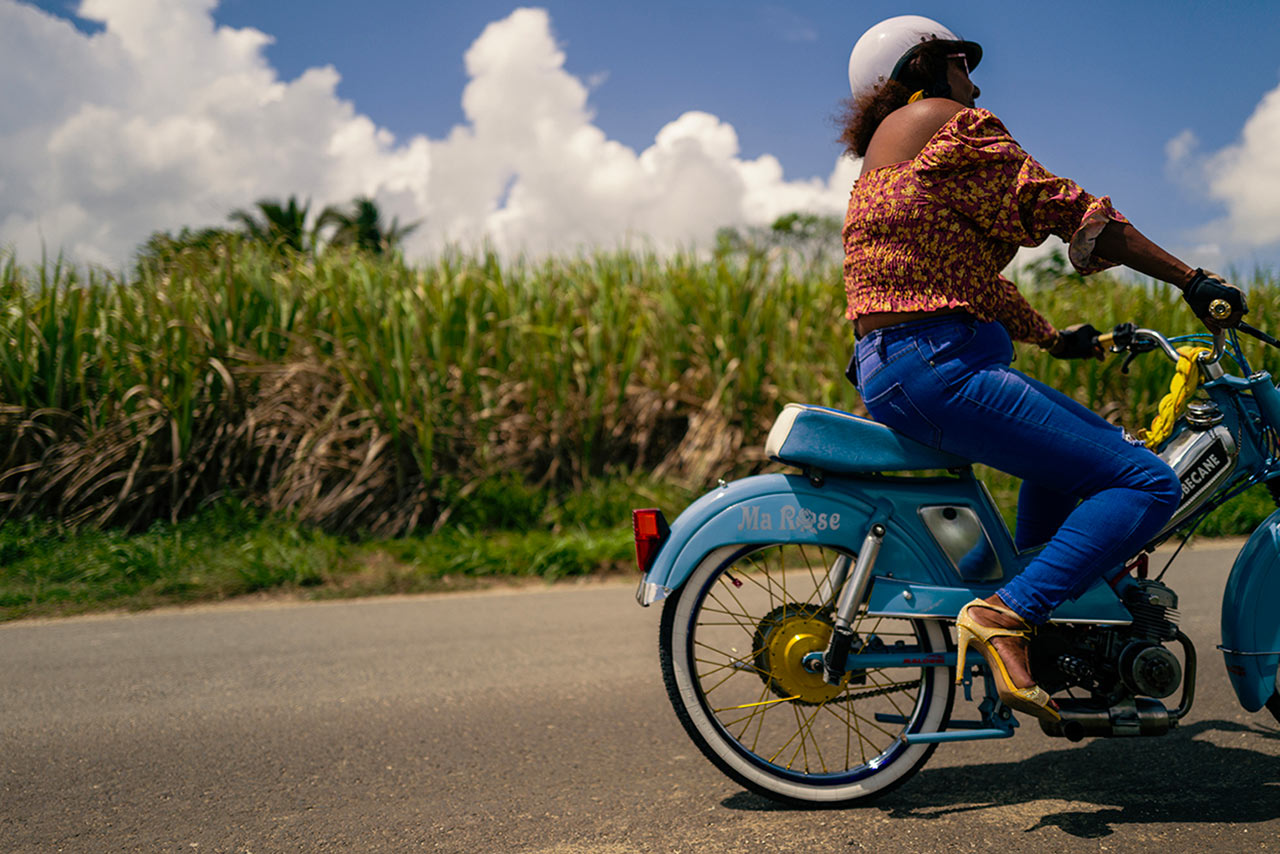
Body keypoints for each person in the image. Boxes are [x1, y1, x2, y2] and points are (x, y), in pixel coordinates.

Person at [838, 15, 1248, 722]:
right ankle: (1009, 615)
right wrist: (1191, 279)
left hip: (897, 365)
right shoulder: (948, 123)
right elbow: (1075, 211)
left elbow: (969, 281)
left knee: (1065, 462)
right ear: (923, 68)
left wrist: (1059, 341)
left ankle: (1052, 604)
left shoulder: (886, 162)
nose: (974, 78)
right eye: (961, 60)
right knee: (1144, 480)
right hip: (940, 362)